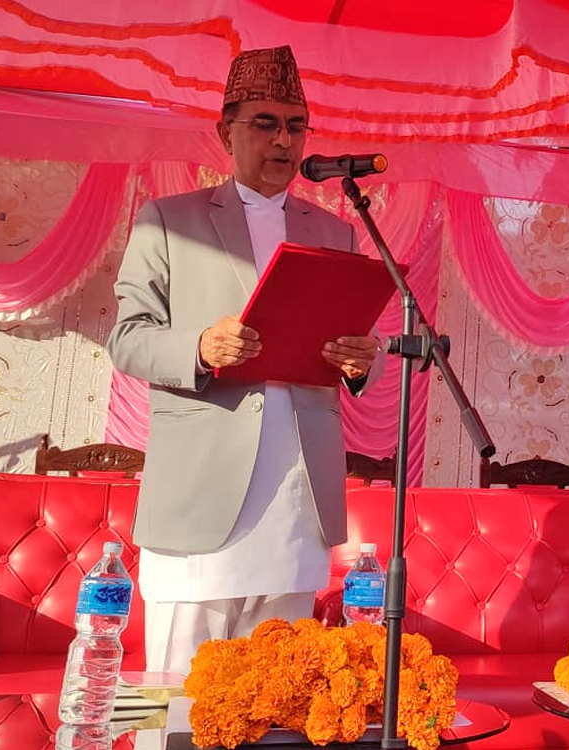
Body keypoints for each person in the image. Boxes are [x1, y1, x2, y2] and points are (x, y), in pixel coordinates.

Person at [106, 46, 384, 675]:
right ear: (224, 131)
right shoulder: (168, 222)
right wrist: (200, 348)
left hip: (296, 495)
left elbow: (355, 342)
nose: (283, 140)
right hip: (200, 491)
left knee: (275, 701)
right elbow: (127, 337)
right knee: (180, 705)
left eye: (295, 125)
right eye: (265, 123)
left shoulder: (334, 231)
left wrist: (359, 361)